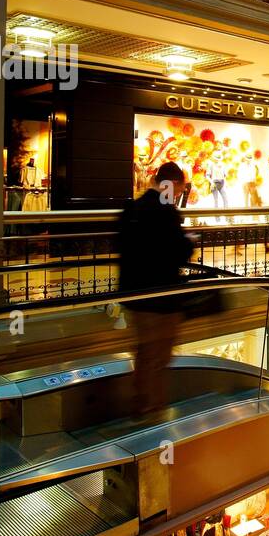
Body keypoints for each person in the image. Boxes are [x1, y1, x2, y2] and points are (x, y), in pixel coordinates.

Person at [116, 161, 194, 410]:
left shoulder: (132, 208)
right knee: (158, 358)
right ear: (172, 185)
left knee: (144, 354)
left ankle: (140, 405)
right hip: (161, 299)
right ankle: (151, 415)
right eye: (180, 191)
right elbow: (177, 251)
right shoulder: (166, 213)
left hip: (134, 296)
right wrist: (189, 242)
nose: (178, 196)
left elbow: (122, 246)